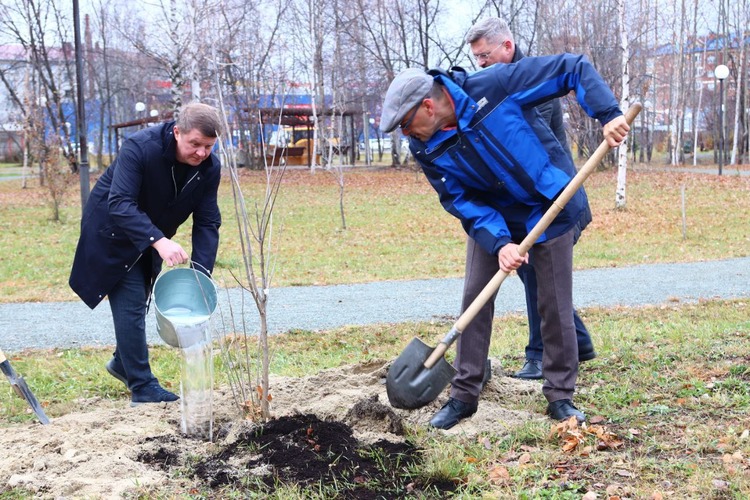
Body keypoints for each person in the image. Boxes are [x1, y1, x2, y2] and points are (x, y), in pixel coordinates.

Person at [380, 57, 629, 428]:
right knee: (474, 299)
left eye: (405, 124)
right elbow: (459, 199)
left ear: (428, 107)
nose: (405, 135)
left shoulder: (494, 86)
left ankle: (560, 395)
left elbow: (572, 69)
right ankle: (464, 394)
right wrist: (498, 243)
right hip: (493, 219)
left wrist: (608, 113)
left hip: (549, 205)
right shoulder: (425, 147)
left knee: (554, 303)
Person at [464, 17, 596, 381]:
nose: (481, 65)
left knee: (537, 274)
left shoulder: (525, 85)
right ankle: (579, 342)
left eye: (485, 56)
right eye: (476, 59)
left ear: (507, 47)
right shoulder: (496, 86)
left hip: (554, 200)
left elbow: (525, 154)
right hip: (527, 203)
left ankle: (541, 355)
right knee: (535, 275)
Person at [69, 101, 223, 406]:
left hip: (151, 234)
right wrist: (160, 241)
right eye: (195, 144)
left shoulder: (208, 169)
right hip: (112, 230)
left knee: (139, 299)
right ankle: (142, 386)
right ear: (177, 132)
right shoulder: (140, 148)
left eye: (209, 146)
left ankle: (122, 364)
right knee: (130, 305)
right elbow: (121, 203)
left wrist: (200, 273)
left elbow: (207, 220)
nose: (202, 153)